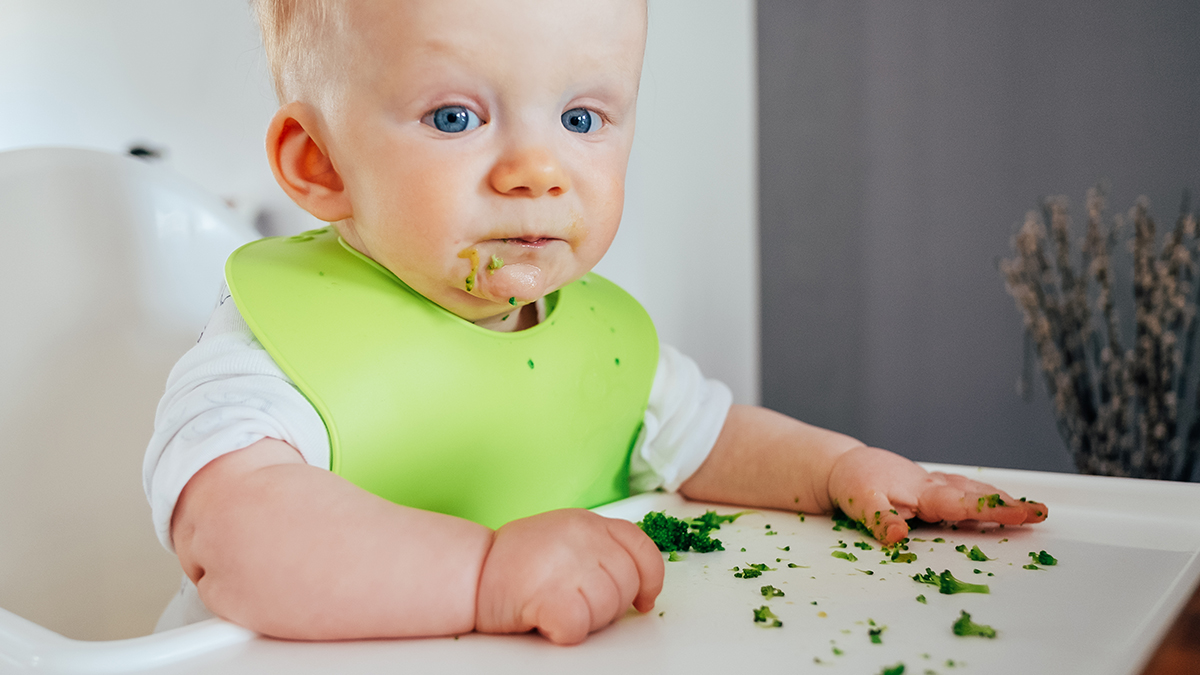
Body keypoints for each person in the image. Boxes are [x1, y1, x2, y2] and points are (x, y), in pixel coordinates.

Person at [143, 0, 1047, 645]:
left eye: (581, 117)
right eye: (455, 116)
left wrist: (842, 468)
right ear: (321, 163)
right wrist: (485, 574)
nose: (539, 170)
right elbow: (236, 536)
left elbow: (715, 440)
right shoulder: (278, 350)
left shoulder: (599, 342)